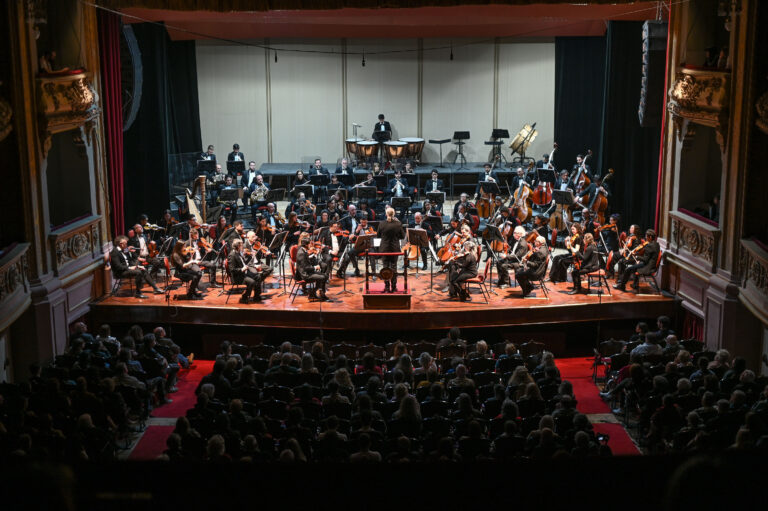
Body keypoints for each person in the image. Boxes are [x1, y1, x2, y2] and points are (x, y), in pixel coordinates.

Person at [229, 239, 271, 303]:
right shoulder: (232, 255)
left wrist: (253, 266)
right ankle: (245, 296)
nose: (242, 246)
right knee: (252, 282)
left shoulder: (239, 252)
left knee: (258, 276)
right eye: (241, 245)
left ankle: (257, 296)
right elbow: (232, 269)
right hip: (238, 276)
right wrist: (242, 269)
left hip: (244, 272)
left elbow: (244, 263)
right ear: (238, 246)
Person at [377, 207, 404, 293]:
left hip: (384, 248)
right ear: (394, 214)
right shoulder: (398, 224)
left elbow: (378, 236)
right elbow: (402, 236)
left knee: (385, 267)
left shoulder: (381, 223)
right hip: (394, 248)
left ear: (386, 214)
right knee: (394, 267)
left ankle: (387, 287)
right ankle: (394, 287)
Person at [296, 236, 329, 301]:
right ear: (306, 245)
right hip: (304, 275)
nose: (310, 245)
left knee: (324, 275)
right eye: (309, 244)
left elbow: (306, 264)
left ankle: (314, 293)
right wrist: (315, 267)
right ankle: (316, 293)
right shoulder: (301, 253)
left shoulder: (303, 250)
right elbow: (305, 267)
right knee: (323, 277)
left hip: (307, 272)